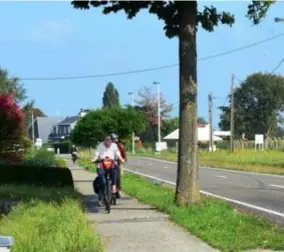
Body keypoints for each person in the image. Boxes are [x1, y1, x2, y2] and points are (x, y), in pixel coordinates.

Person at [92, 135, 125, 206]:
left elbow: (118, 154)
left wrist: (121, 159)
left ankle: (114, 189)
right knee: (102, 181)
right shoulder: (100, 145)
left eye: (109, 141)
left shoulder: (114, 146)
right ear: (104, 141)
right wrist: (94, 159)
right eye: (106, 140)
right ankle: (101, 198)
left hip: (112, 164)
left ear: (111, 141)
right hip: (102, 165)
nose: (108, 143)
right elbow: (96, 154)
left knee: (115, 175)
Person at [111, 133, 127, 199]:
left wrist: (124, 158)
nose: (113, 140)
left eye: (114, 139)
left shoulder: (119, 145)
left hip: (116, 161)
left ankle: (117, 191)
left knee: (117, 176)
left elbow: (123, 152)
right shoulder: (105, 145)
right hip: (107, 162)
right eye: (112, 139)